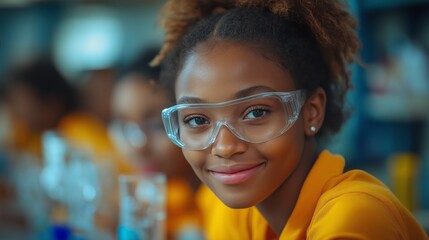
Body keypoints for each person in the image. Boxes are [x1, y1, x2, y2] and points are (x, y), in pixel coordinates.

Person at [150, 0, 429, 239]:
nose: (224, 147)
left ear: (312, 111)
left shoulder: (354, 216)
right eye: (197, 120)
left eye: (256, 113)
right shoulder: (245, 212)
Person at [110, 47, 204, 239]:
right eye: (123, 125)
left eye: (156, 125)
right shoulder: (118, 205)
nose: (138, 146)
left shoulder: (224, 210)